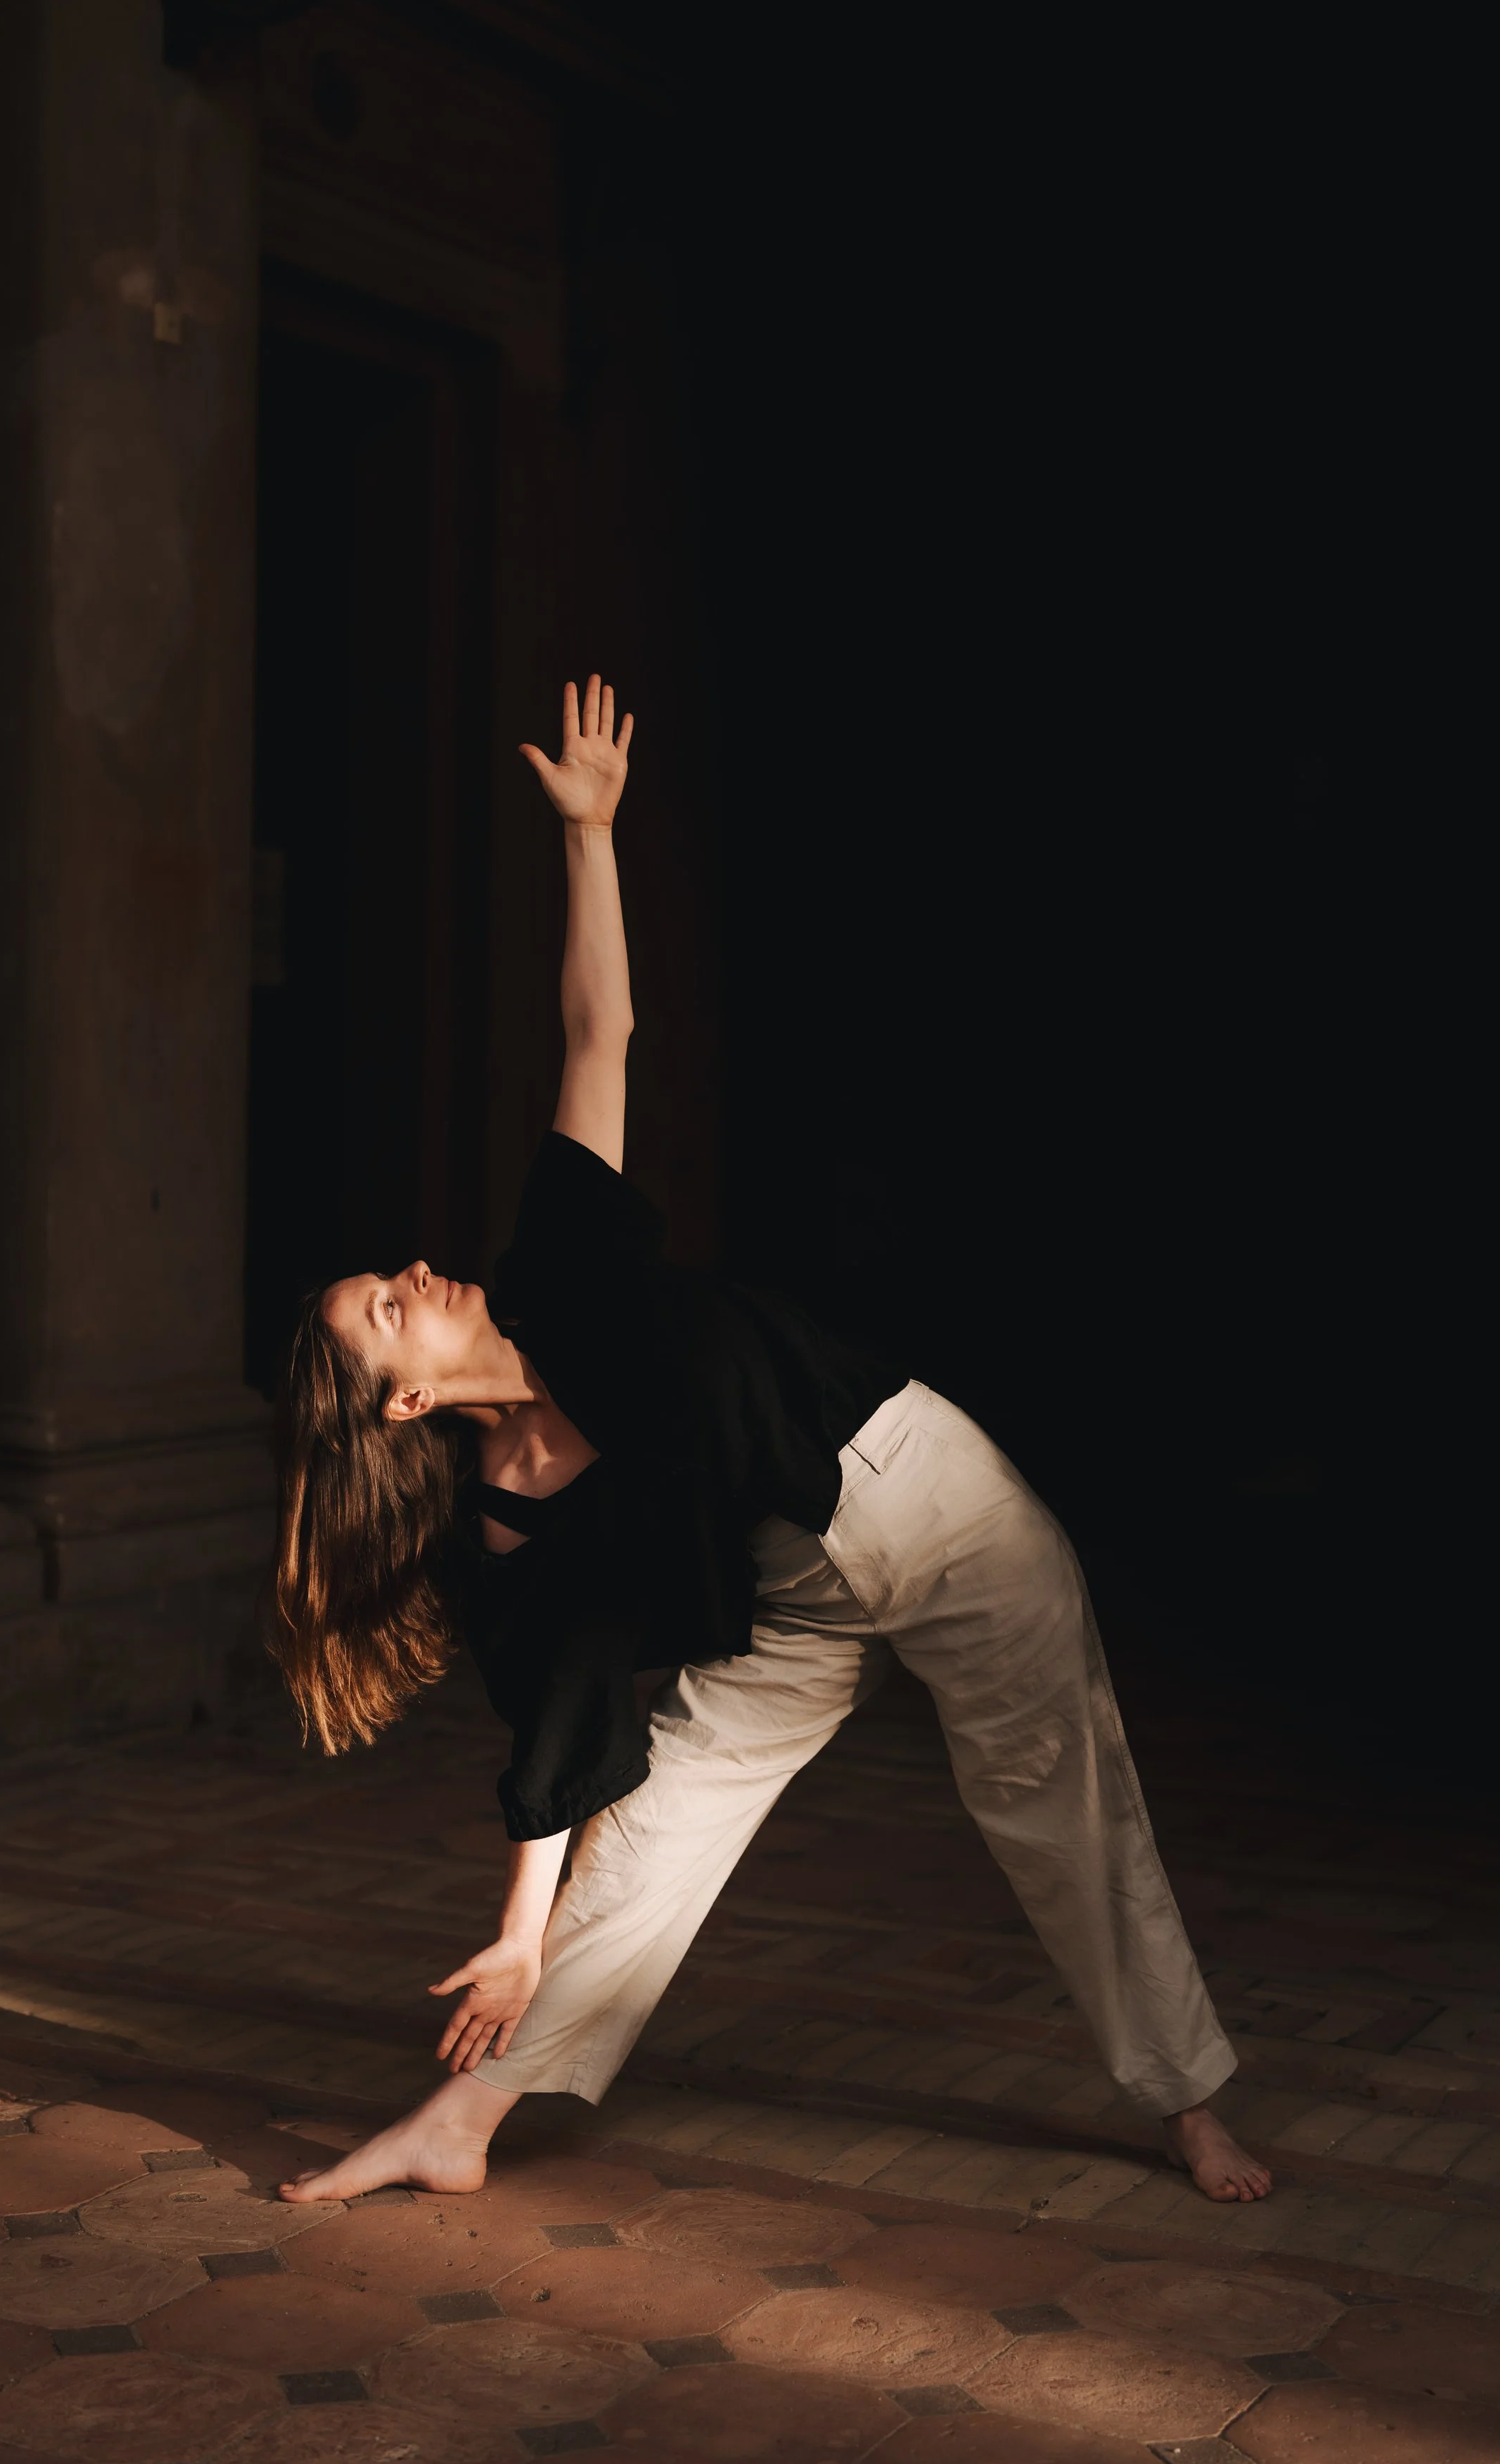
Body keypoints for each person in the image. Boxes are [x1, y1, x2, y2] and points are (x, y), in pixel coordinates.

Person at [270, 675, 1271, 2209]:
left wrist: (590, 835)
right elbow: (560, 1733)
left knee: (1061, 1807)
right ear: (401, 1402)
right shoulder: (509, 1514)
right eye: (383, 1313)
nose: (412, 1276)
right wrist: (523, 1928)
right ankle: (458, 2128)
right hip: (786, 1590)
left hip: (920, 1500)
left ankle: (1186, 2101)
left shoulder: (564, 1267)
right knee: (650, 1838)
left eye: (390, 1274)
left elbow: (599, 1029)